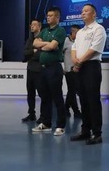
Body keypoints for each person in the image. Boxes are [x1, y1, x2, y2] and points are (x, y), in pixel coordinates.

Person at [70, 4, 107, 145]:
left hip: (91, 66)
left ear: (94, 14)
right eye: (82, 11)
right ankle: (85, 130)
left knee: (93, 100)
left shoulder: (98, 29)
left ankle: (97, 133)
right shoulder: (80, 32)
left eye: (86, 11)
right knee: (83, 100)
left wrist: (79, 62)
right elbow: (74, 48)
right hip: (80, 67)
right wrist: (75, 60)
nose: (83, 13)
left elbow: (95, 49)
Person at [32, 7, 67, 136]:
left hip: (54, 68)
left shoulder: (60, 30)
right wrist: (47, 45)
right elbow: (35, 43)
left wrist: (46, 45)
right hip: (43, 68)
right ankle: (46, 123)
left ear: (57, 17)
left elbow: (53, 46)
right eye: (47, 15)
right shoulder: (44, 31)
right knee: (44, 97)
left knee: (57, 97)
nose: (48, 17)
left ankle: (60, 125)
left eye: (51, 15)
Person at [21, 19, 42, 122]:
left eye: (34, 25)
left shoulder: (42, 38)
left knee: (42, 93)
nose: (32, 26)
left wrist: (31, 53)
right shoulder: (30, 39)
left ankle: (43, 115)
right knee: (30, 93)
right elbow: (25, 52)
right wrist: (33, 51)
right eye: (31, 25)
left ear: (39, 26)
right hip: (30, 69)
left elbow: (40, 54)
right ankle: (31, 114)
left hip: (39, 70)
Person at [63, 24, 82, 118]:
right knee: (72, 90)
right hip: (68, 70)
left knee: (72, 90)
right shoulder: (65, 41)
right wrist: (63, 67)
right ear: (73, 32)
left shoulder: (79, 42)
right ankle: (75, 111)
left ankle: (67, 108)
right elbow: (59, 54)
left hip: (77, 69)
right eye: (77, 33)